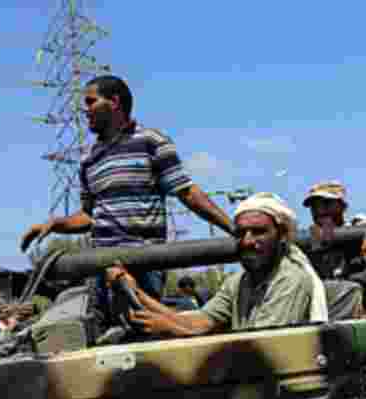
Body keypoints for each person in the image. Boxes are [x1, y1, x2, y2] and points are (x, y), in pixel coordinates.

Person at [18, 75, 233, 313]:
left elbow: (187, 192)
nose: (84, 110)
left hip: (143, 263)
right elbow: (89, 216)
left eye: (90, 102)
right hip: (101, 265)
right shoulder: (89, 159)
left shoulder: (151, 141)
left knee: (143, 325)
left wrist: (234, 229)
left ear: (114, 102)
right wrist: (56, 224)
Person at [106, 193, 327, 336]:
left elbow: (261, 349)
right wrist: (136, 292)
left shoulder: (290, 279)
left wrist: (170, 328)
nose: (247, 241)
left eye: (259, 232)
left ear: (282, 236)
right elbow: (201, 321)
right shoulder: (240, 282)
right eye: (241, 233)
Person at [301, 181, 366, 318]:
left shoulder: (360, 226)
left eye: (326, 203)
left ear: (343, 206)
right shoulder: (307, 239)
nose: (320, 210)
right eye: (314, 206)